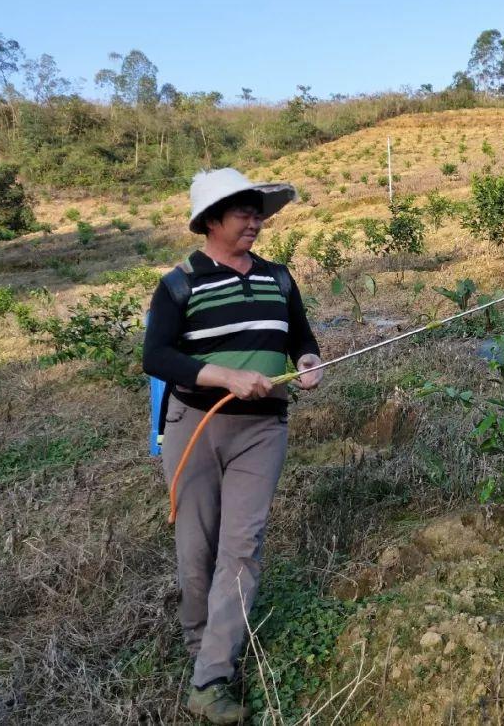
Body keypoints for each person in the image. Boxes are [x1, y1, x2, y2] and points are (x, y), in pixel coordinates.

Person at [143, 168, 323, 724]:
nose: (254, 222)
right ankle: (201, 640)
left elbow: (300, 338)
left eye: (258, 212)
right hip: (194, 425)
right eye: (242, 213)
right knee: (197, 548)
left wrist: (310, 362)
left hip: (262, 429)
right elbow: (158, 357)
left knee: (241, 548)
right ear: (210, 222)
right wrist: (223, 375)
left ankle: (211, 676)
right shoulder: (179, 284)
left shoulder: (279, 278)